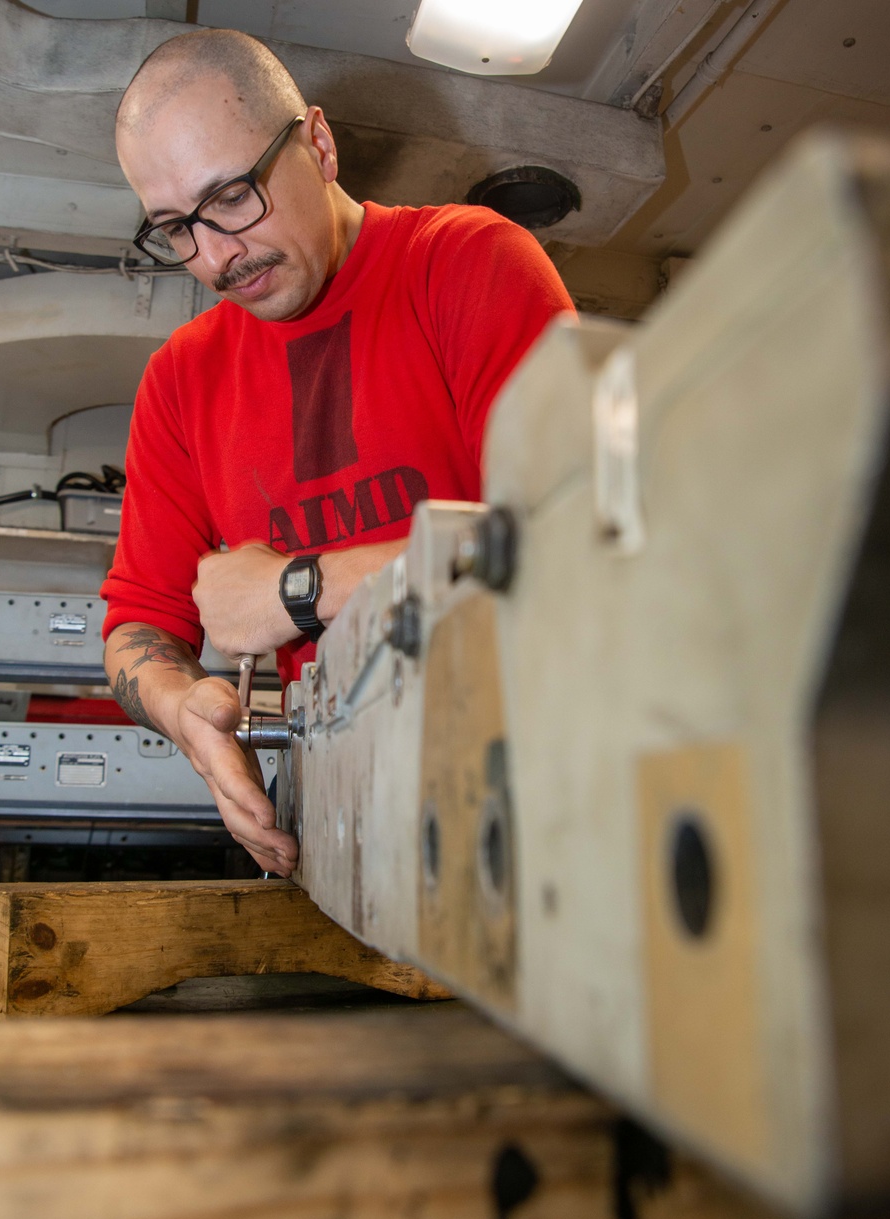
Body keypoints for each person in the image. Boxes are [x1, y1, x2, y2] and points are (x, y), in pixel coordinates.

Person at [101, 29, 574, 875]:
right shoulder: (179, 381)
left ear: (318, 144)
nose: (215, 256)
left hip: (539, 790)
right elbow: (140, 622)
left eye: (234, 196)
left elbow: (570, 535)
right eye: (175, 228)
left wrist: (300, 589)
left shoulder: (469, 264)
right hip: (341, 813)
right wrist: (185, 714)